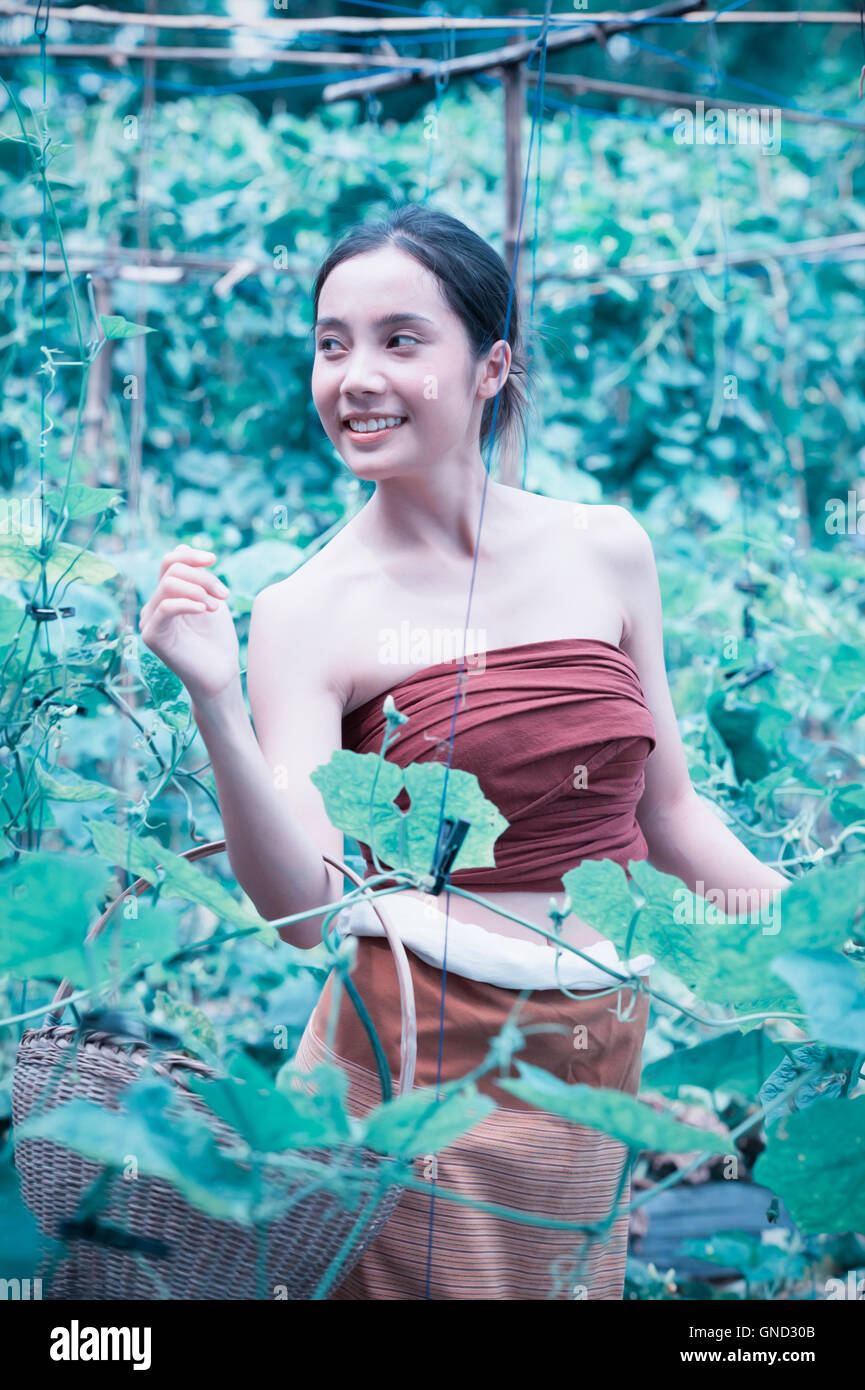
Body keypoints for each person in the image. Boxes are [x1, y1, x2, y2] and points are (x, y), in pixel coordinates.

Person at [139, 203, 789, 1300]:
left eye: (400, 340)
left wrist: (830, 952)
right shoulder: (308, 608)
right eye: (330, 342)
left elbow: (670, 817)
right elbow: (303, 910)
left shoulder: (605, 551)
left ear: (492, 366)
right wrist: (212, 694)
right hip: (403, 1074)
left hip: (586, 1063)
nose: (354, 376)